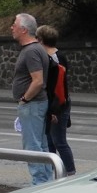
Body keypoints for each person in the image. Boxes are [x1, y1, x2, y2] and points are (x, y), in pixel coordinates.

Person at [10, 13, 53, 185]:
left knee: (32, 146)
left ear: (23, 29)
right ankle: (47, 181)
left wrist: (25, 99)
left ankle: (40, 183)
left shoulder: (31, 51)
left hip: (32, 104)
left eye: (14, 24)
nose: (11, 27)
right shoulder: (35, 49)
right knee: (41, 145)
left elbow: (38, 81)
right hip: (35, 104)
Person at [37, 24, 76, 176]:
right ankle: (54, 173)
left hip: (58, 104)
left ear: (41, 40)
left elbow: (58, 87)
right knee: (50, 141)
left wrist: (54, 109)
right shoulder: (57, 56)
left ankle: (71, 173)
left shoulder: (54, 59)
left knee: (59, 141)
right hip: (55, 103)